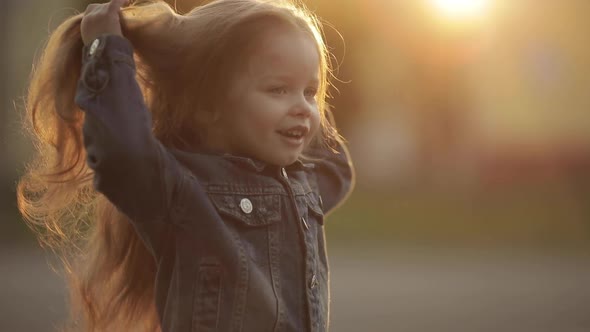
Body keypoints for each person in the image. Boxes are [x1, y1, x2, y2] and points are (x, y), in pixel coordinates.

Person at [17, 0, 354, 331]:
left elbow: (336, 163)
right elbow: (123, 153)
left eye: (310, 91)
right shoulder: (183, 191)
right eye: (278, 89)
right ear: (207, 106)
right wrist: (106, 48)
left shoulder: (307, 182)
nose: (303, 108)